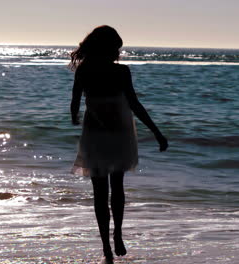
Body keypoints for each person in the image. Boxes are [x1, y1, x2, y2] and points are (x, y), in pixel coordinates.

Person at [69, 25, 168, 263]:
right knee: (115, 188)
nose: (118, 53)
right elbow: (134, 104)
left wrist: (75, 117)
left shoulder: (85, 70)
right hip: (118, 132)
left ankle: (109, 242)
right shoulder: (121, 72)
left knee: (101, 192)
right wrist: (157, 132)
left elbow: (74, 102)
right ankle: (115, 237)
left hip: (96, 132)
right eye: (115, 48)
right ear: (106, 48)